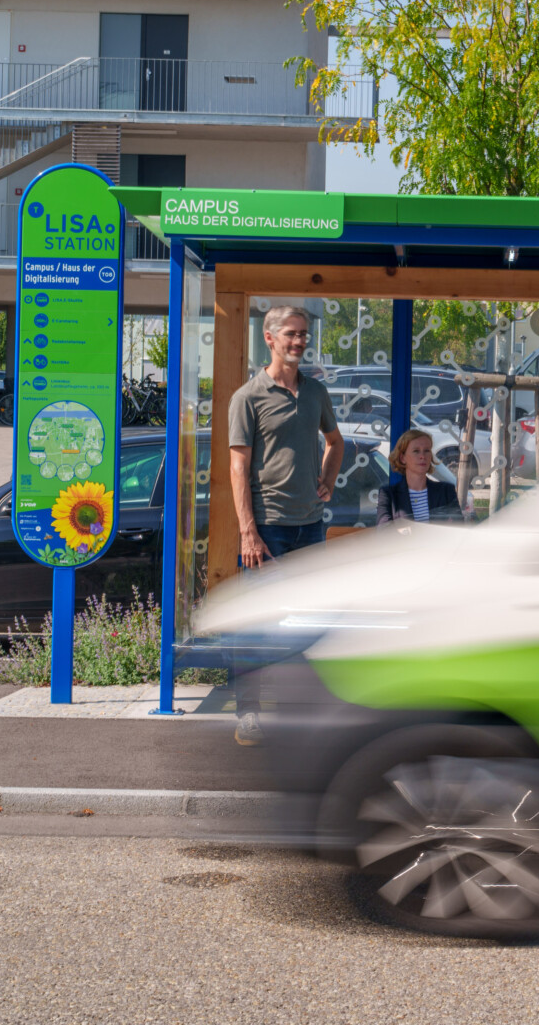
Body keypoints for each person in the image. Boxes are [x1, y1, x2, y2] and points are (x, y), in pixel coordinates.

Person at [225, 304, 341, 746]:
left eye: (304, 334)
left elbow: (336, 441)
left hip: (310, 527)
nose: (299, 341)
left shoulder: (315, 392)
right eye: (291, 334)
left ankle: (301, 711)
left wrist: (327, 480)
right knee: (256, 624)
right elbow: (238, 469)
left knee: (308, 622)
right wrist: (248, 531)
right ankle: (249, 713)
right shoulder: (247, 397)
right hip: (268, 530)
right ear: (269, 339)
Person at [376, 429, 464, 524]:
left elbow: (458, 528)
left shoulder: (446, 491)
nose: (422, 456)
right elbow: (384, 531)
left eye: (426, 451)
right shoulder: (388, 495)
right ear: (402, 458)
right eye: (416, 451)